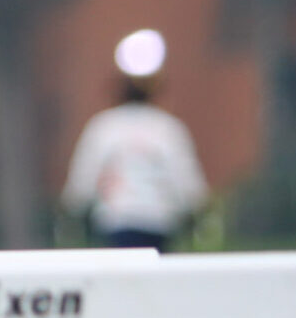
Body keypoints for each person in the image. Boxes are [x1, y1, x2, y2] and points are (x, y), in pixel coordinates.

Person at [62, 29, 207, 252]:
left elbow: (82, 182)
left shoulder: (104, 126)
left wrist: (74, 209)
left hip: (117, 221)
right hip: (159, 222)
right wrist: (196, 209)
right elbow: (187, 183)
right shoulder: (168, 129)